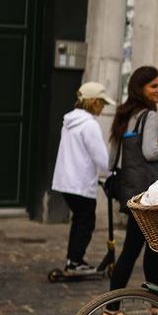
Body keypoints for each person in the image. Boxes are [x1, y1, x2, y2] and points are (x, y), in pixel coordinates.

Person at [102, 66, 158, 315]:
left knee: (152, 247)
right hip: (147, 193)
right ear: (140, 88)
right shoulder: (148, 115)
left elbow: (111, 159)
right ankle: (111, 309)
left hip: (130, 190)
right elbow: (150, 153)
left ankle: (156, 306)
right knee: (135, 249)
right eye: (154, 86)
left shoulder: (124, 114)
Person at [51, 81, 114, 274]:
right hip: (80, 183)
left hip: (65, 181)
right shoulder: (90, 125)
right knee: (86, 221)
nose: (103, 107)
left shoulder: (69, 122)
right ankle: (75, 261)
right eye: (102, 103)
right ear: (93, 102)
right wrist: (112, 173)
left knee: (79, 220)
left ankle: (73, 259)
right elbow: (101, 158)